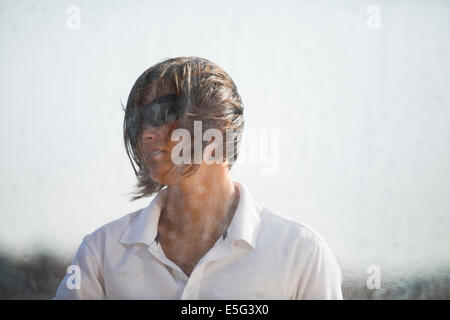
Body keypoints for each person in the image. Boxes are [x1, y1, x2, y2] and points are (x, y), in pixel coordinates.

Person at [53, 56, 343, 299]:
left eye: (162, 112)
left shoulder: (301, 255)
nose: (146, 134)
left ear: (218, 124)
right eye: (138, 121)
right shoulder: (102, 253)